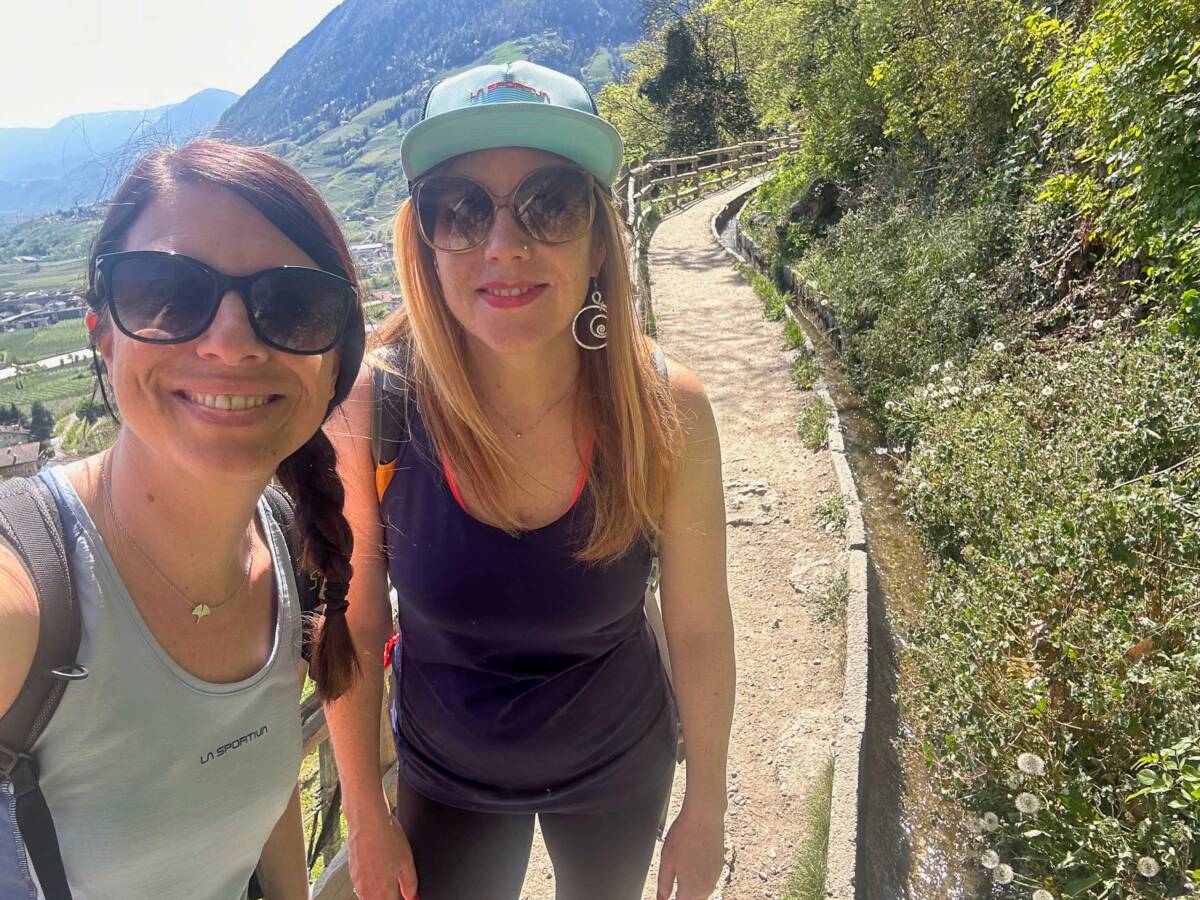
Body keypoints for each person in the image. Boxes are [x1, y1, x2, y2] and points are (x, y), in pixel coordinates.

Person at [326, 61, 735, 900]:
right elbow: (354, 621)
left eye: (551, 203)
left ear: (598, 241)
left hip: (619, 766)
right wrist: (364, 812)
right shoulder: (376, 407)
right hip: (446, 778)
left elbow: (698, 627)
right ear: (425, 241)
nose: (504, 246)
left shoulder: (664, 410)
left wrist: (708, 806)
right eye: (461, 209)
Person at [0, 140, 366, 899]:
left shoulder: (283, 546)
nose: (229, 343)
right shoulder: (25, 597)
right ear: (102, 334)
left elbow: (260, 803)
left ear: (335, 361)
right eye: (164, 292)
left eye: (292, 305)